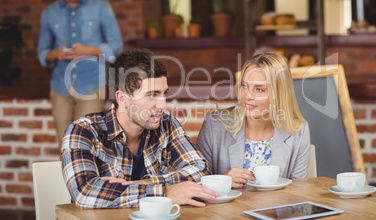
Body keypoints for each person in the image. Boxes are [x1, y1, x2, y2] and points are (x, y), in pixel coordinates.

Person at [61, 49, 218, 208]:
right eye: (152, 95)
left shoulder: (166, 123)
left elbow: (201, 170)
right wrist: (164, 193)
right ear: (122, 99)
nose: (163, 105)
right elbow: (84, 193)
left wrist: (145, 183)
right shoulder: (83, 131)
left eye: (164, 94)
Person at [37, 0, 123, 144]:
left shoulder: (101, 8)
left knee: (87, 141)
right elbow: (42, 53)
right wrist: (55, 54)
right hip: (60, 86)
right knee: (65, 143)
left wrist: (88, 50)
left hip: (92, 84)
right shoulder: (49, 13)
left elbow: (116, 47)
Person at [196, 52, 310, 188]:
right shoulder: (214, 124)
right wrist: (222, 181)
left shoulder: (298, 130)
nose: (247, 96)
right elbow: (195, 185)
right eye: (244, 86)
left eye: (259, 89)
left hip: (276, 208)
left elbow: (297, 191)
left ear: (279, 94)